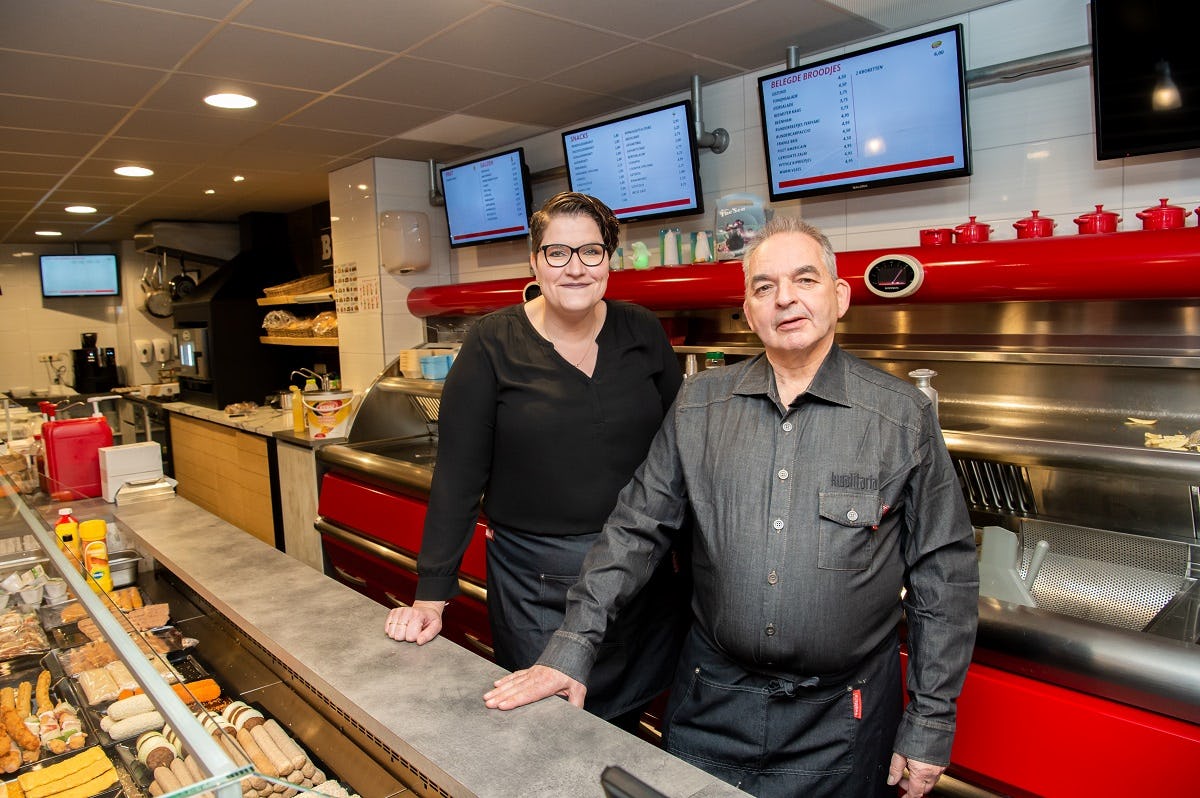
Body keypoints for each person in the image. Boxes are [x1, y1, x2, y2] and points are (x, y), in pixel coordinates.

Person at [484, 215, 979, 798]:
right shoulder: (699, 405)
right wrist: (573, 646)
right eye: (764, 286)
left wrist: (929, 721)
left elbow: (943, 575)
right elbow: (635, 530)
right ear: (748, 311)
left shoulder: (901, 417)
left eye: (805, 279)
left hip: (842, 720)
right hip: (710, 704)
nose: (785, 298)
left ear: (840, 297)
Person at [385, 191, 688, 732]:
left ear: (609, 260)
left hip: (639, 579)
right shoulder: (492, 342)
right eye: (557, 253)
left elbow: (679, 451)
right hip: (537, 584)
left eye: (590, 252)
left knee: (628, 729)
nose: (575, 267)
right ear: (534, 261)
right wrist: (431, 597)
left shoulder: (642, 330)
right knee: (546, 732)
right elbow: (458, 475)